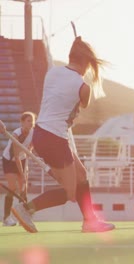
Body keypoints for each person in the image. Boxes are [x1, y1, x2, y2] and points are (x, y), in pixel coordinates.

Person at [11, 36, 115, 233]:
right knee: (71, 192)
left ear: (70, 55)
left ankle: (90, 221)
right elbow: (82, 104)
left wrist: (78, 45)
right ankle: (26, 209)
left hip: (42, 133)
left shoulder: (52, 73)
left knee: (81, 175)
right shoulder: (84, 88)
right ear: (86, 62)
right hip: (55, 139)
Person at [2, 112, 35, 226]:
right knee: (12, 187)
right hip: (10, 160)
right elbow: (16, 157)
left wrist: (30, 150)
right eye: (28, 121)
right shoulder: (16, 134)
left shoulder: (33, 132)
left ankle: (22, 216)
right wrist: (22, 174)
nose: (30, 123)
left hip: (22, 159)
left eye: (32, 121)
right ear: (21, 122)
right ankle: (6, 218)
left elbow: (30, 148)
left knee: (23, 189)